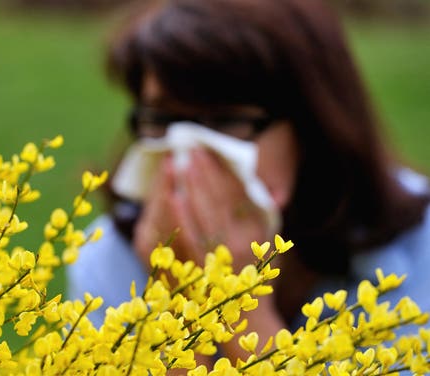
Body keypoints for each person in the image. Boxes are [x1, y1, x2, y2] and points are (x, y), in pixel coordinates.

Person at [67, 0, 430, 364]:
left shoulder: (419, 250)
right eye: (163, 118)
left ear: (312, 126)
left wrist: (239, 297)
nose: (190, 152)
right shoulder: (111, 257)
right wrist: (173, 299)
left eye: (227, 121)